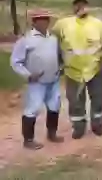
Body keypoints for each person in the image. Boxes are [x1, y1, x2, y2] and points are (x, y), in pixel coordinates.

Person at [52, 0, 102, 139]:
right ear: (73, 7)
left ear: (88, 6)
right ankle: (78, 127)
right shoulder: (62, 24)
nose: (80, 7)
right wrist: (58, 64)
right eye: (77, 5)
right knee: (75, 101)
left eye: (83, 5)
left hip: (96, 69)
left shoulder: (98, 24)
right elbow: (54, 44)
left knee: (98, 99)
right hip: (73, 71)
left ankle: (97, 125)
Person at [11, 9, 64, 150]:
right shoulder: (25, 40)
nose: (44, 22)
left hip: (54, 80)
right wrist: (28, 74)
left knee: (55, 106)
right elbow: (16, 62)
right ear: (33, 22)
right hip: (36, 82)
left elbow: (58, 56)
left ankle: (52, 134)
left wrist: (61, 67)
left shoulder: (53, 39)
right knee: (32, 109)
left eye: (46, 19)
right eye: (40, 19)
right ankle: (28, 140)